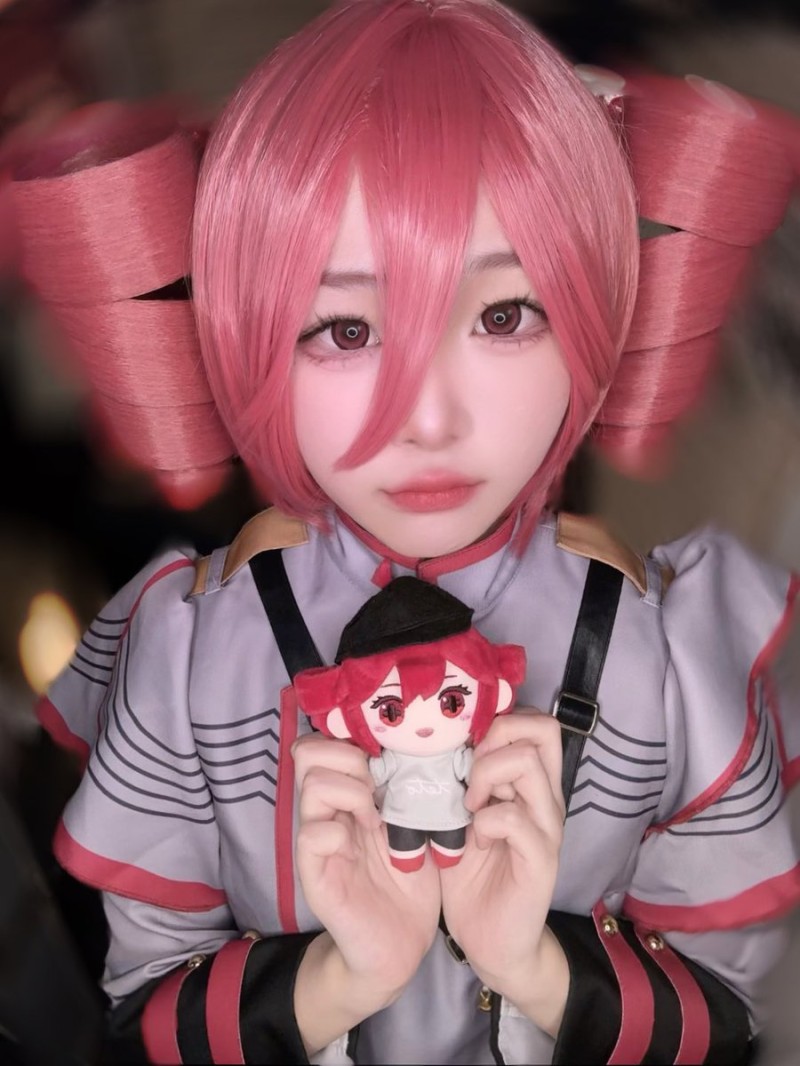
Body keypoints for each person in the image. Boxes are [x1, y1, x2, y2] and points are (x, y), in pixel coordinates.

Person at [19, 0, 800, 1062]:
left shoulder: (663, 650)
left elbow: (725, 1014)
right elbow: (146, 1012)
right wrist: (340, 980)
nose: (429, 418)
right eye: (346, 328)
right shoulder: (194, 653)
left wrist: (536, 965)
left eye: (501, 315)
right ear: (249, 335)